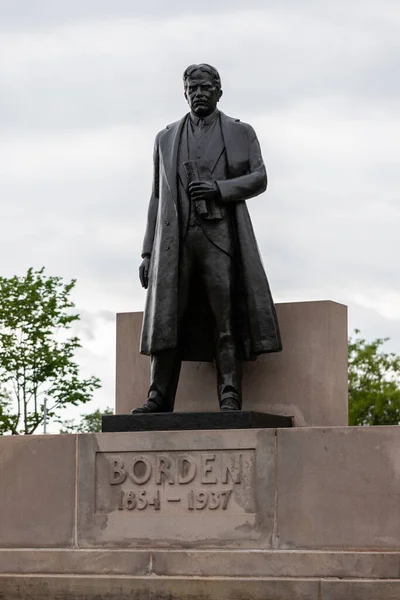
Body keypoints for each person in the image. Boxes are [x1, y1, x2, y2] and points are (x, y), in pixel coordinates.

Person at [134, 63, 281, 414]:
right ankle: (158, 397)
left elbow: (259, 178)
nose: (198, 94)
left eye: (205, 88)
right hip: (176, 243)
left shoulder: (240, 132)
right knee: (166, 319)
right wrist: (147, 252)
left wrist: (219, 189)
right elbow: (156, 196)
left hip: (221, 239)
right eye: (192, 88)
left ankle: (230, 394)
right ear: (185, 93)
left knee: (225, 319)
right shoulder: (166, 137)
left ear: (218, 91)